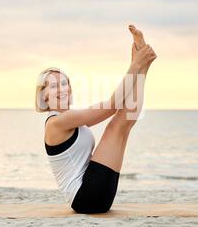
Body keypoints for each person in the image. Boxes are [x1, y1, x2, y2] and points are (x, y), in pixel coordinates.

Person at [35, 25, 157, 214]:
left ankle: (144, 65)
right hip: (86, 198)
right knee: (115, 127)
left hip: (97, 193)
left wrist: (139, 65)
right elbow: (111, 104)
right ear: (43, 96)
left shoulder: (71, 119)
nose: (61, 89)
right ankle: (142, 63)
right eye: (53, 86)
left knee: (125, 123)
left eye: (64, 84)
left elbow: (122, 111)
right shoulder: (55, 123)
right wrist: (134, 65)